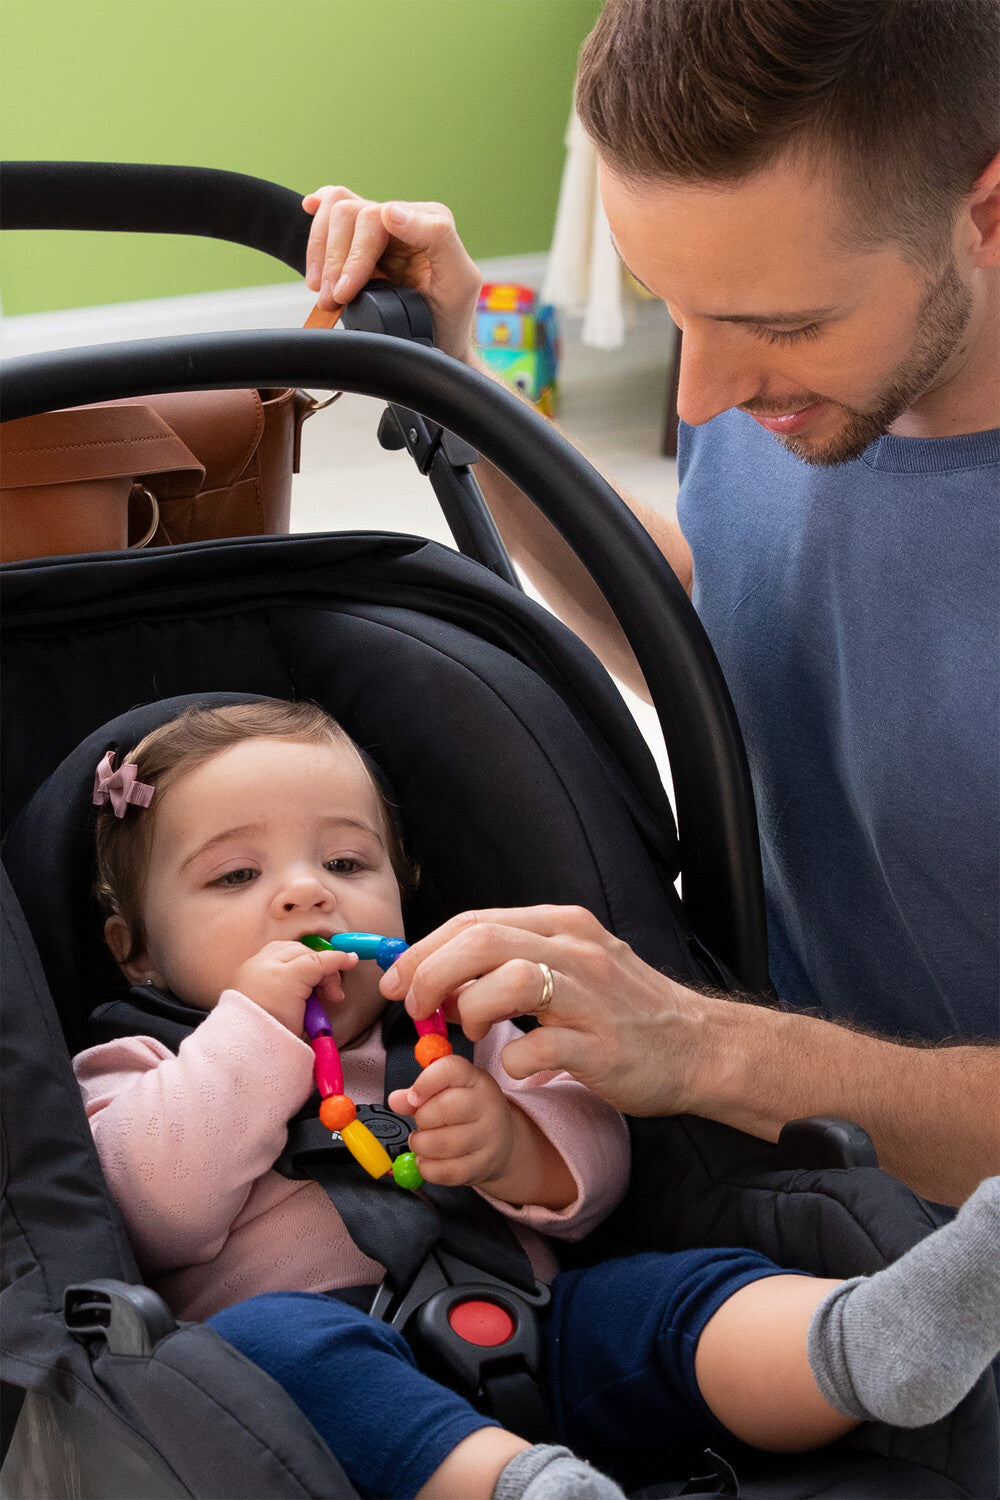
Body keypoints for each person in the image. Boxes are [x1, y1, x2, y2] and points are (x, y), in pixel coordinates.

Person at [301, 0, 1000, 1209]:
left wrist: (698, 1044)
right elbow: (733, 626)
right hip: (793, 1158)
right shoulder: (804, 384)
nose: (708, 388)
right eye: (667, 303)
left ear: (986, 213)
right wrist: (458, 374)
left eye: (776, 324)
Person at [73, 700, 999, 1500]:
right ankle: (516, 1486)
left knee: (679, 1294)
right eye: (238, 877)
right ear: (137, 949)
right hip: (319, 1385)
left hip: (542, 1324)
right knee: (267, 1345)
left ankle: (864, 1345)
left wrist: (517, 1145)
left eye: (348, 863)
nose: (305, 892)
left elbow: (597, 1167)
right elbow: (158, 1208)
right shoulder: (139, 1063)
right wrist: (253, 1033)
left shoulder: (455, 1020)